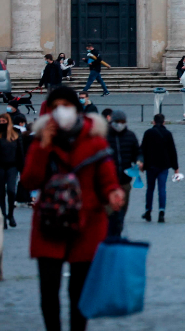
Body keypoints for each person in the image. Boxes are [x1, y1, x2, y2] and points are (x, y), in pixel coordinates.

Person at [21, 86, 124, 331]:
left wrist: (113, 192)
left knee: (79, 291)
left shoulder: (95, 140)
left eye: (65, 106)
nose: (60, 111)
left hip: (87, 224)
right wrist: (43, 146)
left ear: (76, 110)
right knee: (48, 291)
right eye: (55, 107)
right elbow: (29, 181)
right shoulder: (40, 140)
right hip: (49, 223)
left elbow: (107, 178)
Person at [105, 110, 140, 238]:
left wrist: (139, 161)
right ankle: (110, 237)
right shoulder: (105, 136)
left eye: (122, 122)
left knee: (121, 212)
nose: (120, 124)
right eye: (117, 122)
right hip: (108, 183)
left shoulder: (130, 136)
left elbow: (138, 152)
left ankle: (117, 233)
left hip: (125, 180)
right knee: (110, 213)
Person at [139, 114, 179, 223]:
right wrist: (176, 168)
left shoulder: (148, 133)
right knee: (162, 188)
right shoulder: (167, 134)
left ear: (153, 122)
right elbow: (172, 151)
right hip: (164, 165)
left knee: (150, 189)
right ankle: (161, 212)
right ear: (164, 122)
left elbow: (142, 149)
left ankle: (148, 211)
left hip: (151, 165)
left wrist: (141, 163)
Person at [0, 112, 24, 229]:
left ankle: (10, 214)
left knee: (11, 190)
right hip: (0, 166)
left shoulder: (16, 133)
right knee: (0, 193)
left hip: (12, 166)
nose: (1, 123)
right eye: (0, 122)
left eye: (4, 122)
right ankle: (3, 216)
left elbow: (20, 151)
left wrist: (22, 168)